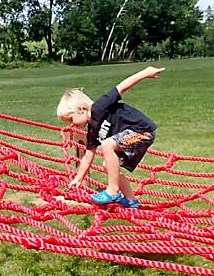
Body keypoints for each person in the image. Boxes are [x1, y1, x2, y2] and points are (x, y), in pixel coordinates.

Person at [57, 66, 164, 208]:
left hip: (142, 131)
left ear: (81, 110)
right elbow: (88, 156)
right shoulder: (92, 130)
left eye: (71, 120)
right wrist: (78, 178)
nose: (70, 125)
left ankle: (112, 191)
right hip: (131, 136)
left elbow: (121, 87)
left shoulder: (99, 107)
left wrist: (145, 73)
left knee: (107, 145)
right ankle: (131, 201)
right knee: (108, 165)